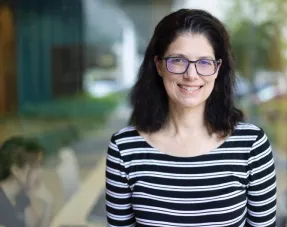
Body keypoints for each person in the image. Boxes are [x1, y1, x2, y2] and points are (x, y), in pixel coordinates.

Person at [106, 8, 276, 227]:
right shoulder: (124, 148)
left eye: (204, 62)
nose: (191, 75)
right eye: (178, 60)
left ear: (217, 69)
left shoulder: (251, 146)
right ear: (159, 65)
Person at [0, 136, 53, 227]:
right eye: (35, 167)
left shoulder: (20, 194)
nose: (40, 171)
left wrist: (48, 204)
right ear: (16, 170)